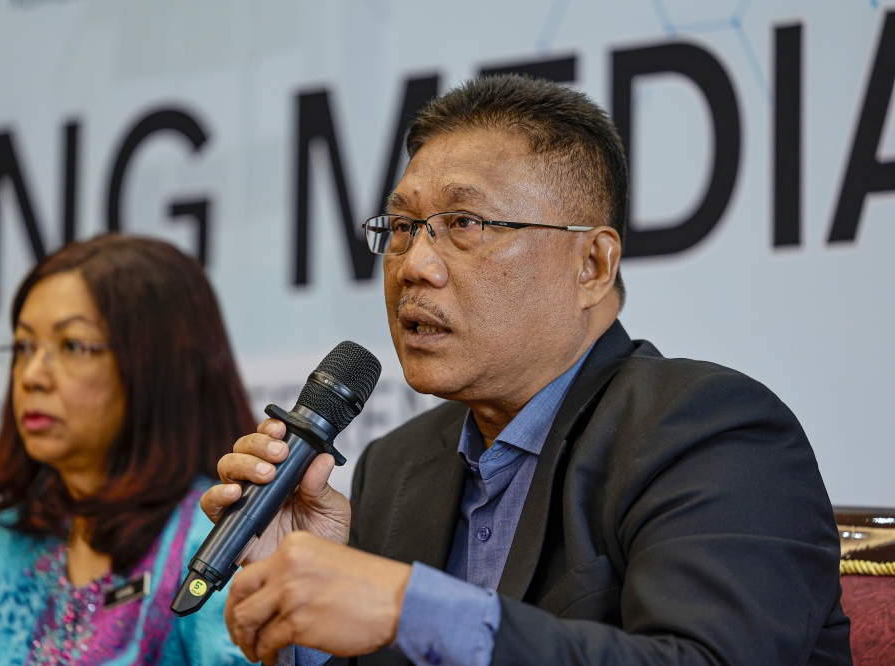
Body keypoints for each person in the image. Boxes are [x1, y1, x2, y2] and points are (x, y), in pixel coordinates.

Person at [201, 75, 851, 666]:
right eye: (402, 227)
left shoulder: (713, 433)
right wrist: (305, 612)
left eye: (464, 223)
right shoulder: (395, 468)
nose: (413, 265)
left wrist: (406, 606)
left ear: (592, 265)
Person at [0, 234, 256, 665]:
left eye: (72, 346)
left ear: (156, 367)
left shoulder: (218, 541)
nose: (32, 376)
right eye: (23, 347)